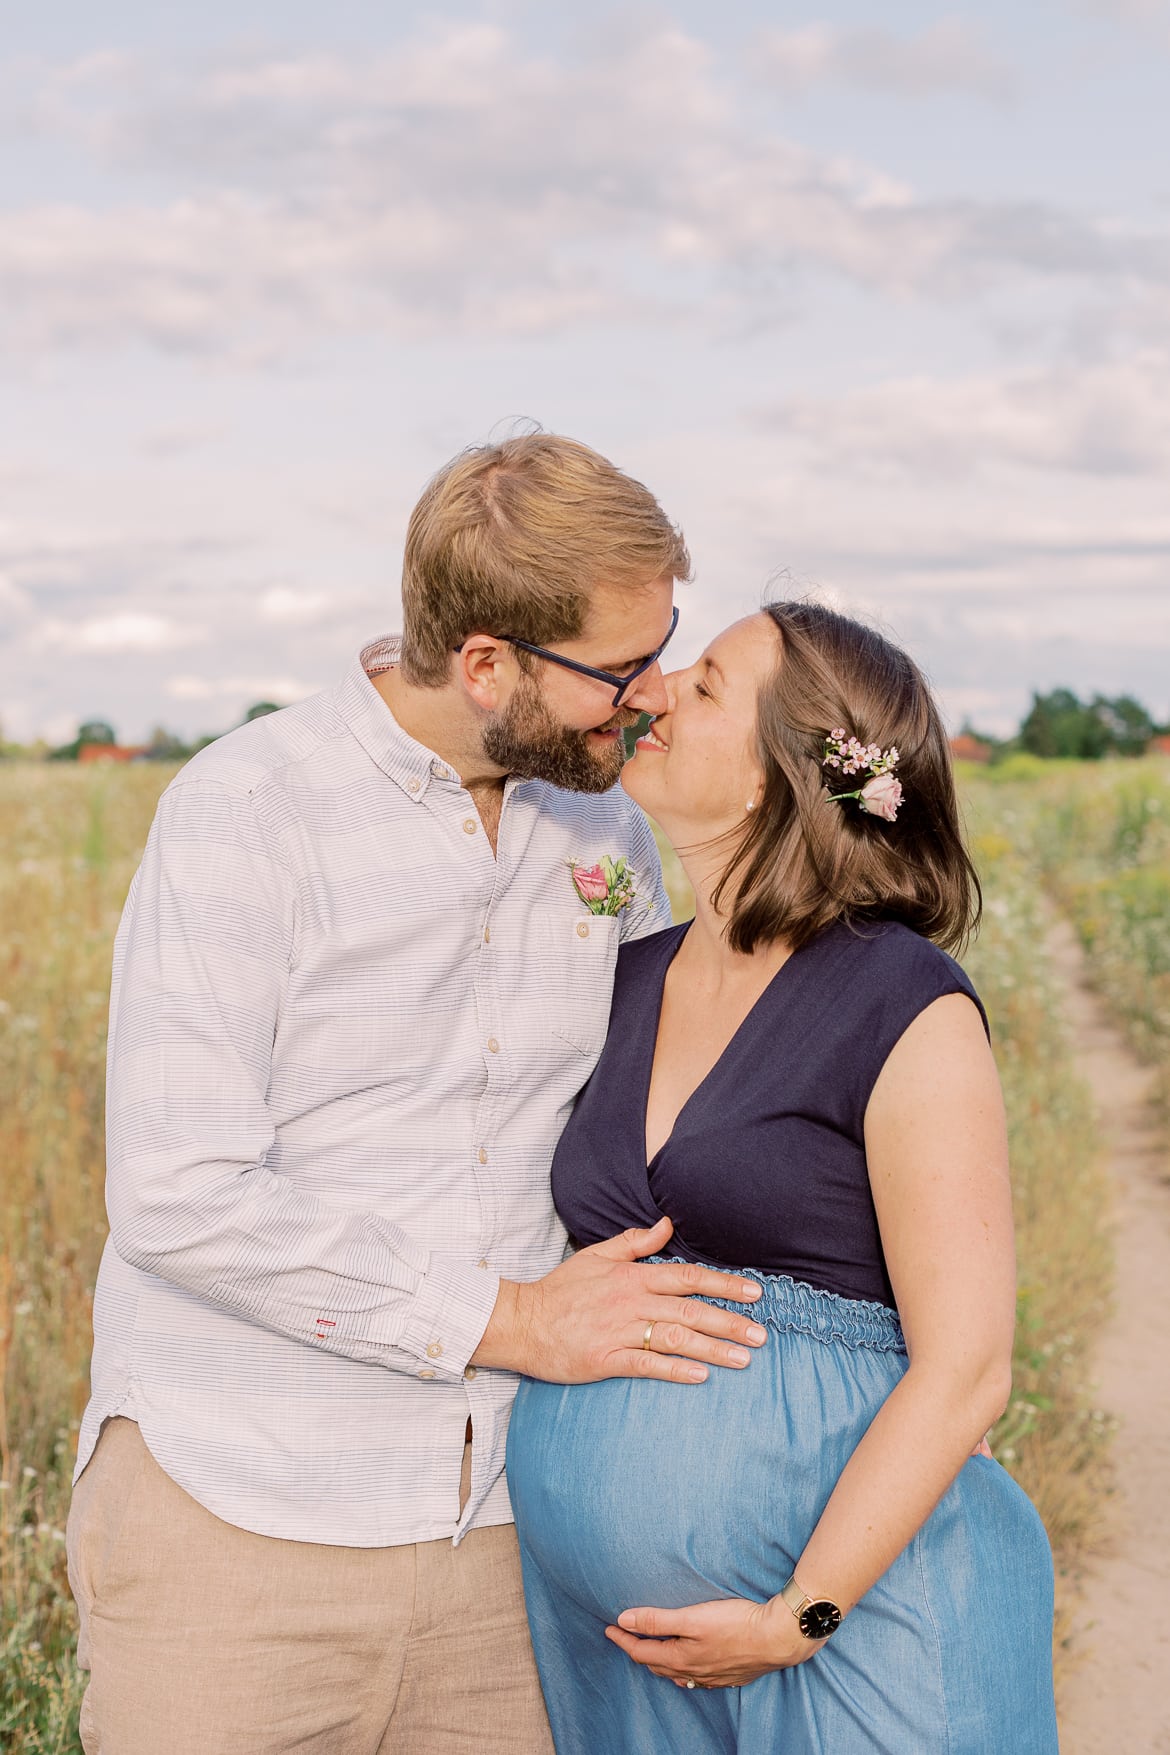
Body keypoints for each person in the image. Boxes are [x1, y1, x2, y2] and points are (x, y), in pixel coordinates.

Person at [65, 433, 768, 1755]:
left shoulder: (609, 830)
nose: (652, 692)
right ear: (486, 661)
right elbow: (178, 1192)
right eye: (621, 669)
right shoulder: (244, 810)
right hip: (243, 1521)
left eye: (663, 647)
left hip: (513, 1536)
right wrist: (509, 1317)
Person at [507, 601, 1060, 1754]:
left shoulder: (901, 1002)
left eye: (704, 684)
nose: (650, 690)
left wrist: (794, 1618)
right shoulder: (623, 979)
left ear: (779, 776)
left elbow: (968, 1373)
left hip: (864, 1630)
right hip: (624, 1662)